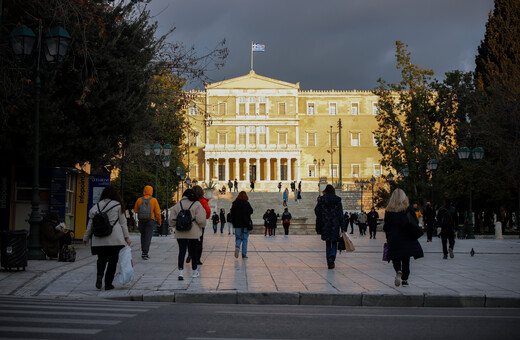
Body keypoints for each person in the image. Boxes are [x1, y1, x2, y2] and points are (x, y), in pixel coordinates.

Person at [83, 185, 131, 290]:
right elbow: (123, 223)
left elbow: (90, 224)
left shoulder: (96, 206)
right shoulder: (118, 206)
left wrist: (85, 238)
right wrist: (127, 237)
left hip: (98, 239)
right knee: (113, 261)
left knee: (101, 259)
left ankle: (99, 275)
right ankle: (108, 283)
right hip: (114, 239)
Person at [383, 188, 424, 287]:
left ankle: (398, 270)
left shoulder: (389, 210)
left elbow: (386, 226)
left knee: (395, 257)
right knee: (406, 259)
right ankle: (405, 279)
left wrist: (388, 237)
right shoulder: (408, 208)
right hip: (406, 236)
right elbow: (415, 222)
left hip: (394, 237)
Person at [169, 189, 206, 280]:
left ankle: (180, 272)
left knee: (182, 251)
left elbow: (171, 221)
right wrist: (200, 226)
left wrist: (177, 225)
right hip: (193, 232)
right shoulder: (196, 204)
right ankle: (194, 271)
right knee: (193, 252)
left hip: (180, 232)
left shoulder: (178, 205)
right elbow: (201, 220)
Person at [314, 184, 346, 269]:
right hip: (335, 224)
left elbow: (316, 211)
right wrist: (343, 226)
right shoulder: (337, 200)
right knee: (334, 242)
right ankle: (332, 255)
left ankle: (329, 263)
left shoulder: (322, 200)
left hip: (325, 224)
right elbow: (340, 214)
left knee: (328, 243)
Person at [134, 185, 161, 260]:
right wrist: (159, 221)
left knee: (143, 237)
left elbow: (135, 210)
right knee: (148, 237)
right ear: (151, 191)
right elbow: (158, 213)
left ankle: (143, 251)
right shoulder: (154, 200)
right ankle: (145, 253)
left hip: (141, 221)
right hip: (150, 220)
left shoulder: (139, 200)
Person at [186, 185, 210, 265]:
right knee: (199, 242)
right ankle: (197, 259)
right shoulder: (203, 201)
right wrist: (205, 217)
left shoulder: (189, 200)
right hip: (199, 224)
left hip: (190, 223)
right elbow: (208, 211)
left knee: (190, 240)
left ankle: (190, 254)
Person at [230, 191, 253, 258]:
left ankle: (237, 247)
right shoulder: (246, 203)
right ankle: (244, 254)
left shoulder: (235, 204)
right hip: (245, 224)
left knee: (238, 238)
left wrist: (233, 222)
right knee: (245, 239)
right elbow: (251, 211)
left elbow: (232, 214)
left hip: (237, 224)